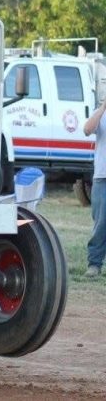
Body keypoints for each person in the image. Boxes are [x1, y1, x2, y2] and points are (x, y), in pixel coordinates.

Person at [83, 101, 106, 277]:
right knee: (100, 224)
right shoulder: (100, 113)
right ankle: (94, 264)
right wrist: (103, 107)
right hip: (102, 176)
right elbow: (87, 130)